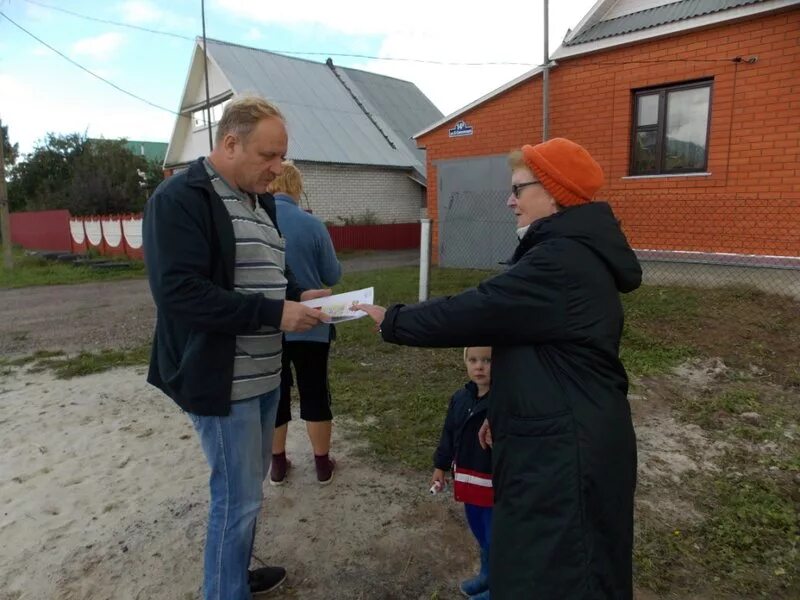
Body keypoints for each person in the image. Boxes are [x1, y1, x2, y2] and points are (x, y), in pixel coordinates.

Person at [357, 138, 642, 599]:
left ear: (553, 193)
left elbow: (479, 309)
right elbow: (540, 352)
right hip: (559, 435)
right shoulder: (564, 253)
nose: (510, 200)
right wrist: (502, 409)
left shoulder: (560, 262)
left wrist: (394, 320)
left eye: (518, 189)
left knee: (568, 574)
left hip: (568, 453)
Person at [142, 95, 331, 600]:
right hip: (222, 381)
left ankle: (233, 575)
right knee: (238, 498)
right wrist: (275, 313)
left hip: (265, 374)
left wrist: (298, 296)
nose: (278, 168)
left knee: (246, 496)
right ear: (230, 143)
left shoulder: (260, 200)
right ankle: (224, 591)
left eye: (282, 156)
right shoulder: (182, 198)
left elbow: (267, 278)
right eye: (269, 156)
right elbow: (180, 294)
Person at [266, 161, 342, 485]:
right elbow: (332, 275)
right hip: (311, 323)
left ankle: (278, 464)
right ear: (296, 186)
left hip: (270, 325)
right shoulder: (312, 224)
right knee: (315, 392)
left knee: (275, 395)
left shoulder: (260, 223)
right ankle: (322, 464)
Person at [432, 347, 493, 600]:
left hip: (494, 486)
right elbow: (449, 435)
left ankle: (502, 589)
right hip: (468, 482)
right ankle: (487, 576)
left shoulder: (504, 402)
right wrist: (440, 466)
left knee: (497, 540)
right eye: (473, 360)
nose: (479, 366)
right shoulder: (460, 398)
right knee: (480, 532)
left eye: (488, 360)